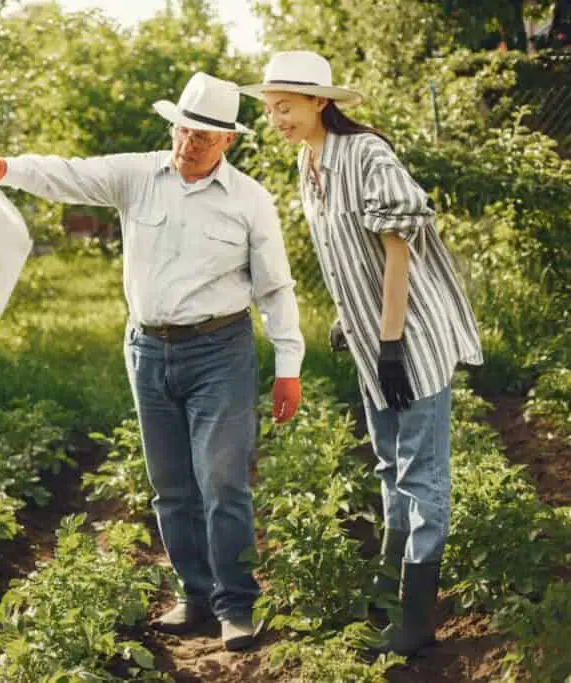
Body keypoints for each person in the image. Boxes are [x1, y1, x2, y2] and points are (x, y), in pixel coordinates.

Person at [0, 72, 305, 652]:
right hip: (148, 350)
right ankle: (194, 595)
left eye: (204, 136)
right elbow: (68, 173)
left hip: (221, 351)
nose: (189, 144)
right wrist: (3, 167)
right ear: (175, 125)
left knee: (221, 482)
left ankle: (236, 605)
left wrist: (288, 362)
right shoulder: (138, 175)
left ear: (229, 142)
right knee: (171, 486)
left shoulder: (249, 200)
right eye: (184, 130)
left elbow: (275, 287)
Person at [239, 51, 483, 656]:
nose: (277, 119)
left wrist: (393, 340)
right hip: (372, 336)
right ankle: (389, 585)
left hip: (412, 335)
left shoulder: (368, 155)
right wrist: (353, 322)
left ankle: (417, 618)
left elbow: (397, 253)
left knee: (421, 475)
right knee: (385, 464)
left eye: (286, 107)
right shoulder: (308, 161)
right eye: (271, 109)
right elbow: (343, 256)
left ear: (320, 101)